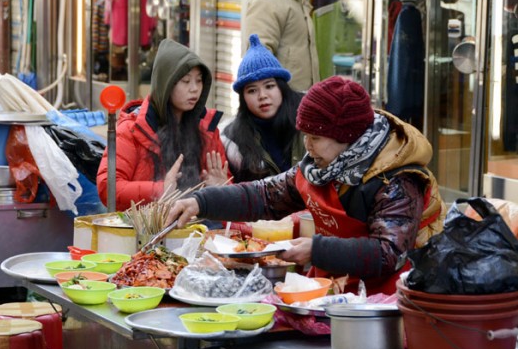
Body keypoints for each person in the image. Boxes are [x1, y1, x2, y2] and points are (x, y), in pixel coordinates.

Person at [166, 76, 446, 295]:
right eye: (305, 136)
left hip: (387, 300)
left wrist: (317, 249)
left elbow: (389, 253)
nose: (308, 147)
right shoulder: (320, 166)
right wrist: (200, 202)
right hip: (334, 290)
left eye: (316, 138)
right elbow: (263, 196)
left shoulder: (396, 180)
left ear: (347, 137)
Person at [97, 38, 230, 212]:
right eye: (186, 81)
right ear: (166, 84)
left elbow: (229, 190)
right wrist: (160, 190)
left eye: (199, 81)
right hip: (143, 233)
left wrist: (222, 190)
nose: (194, 89)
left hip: (197, 232)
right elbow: (108, 188)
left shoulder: (207, 130)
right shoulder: (131, 130)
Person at [222, 34, 305, 182]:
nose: (262, 96)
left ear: (281, 87)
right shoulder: (232, 141)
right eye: (252, 90)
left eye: (269, 86)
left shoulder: (308, 119)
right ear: (243, 98)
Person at [244, 0, 319, 92]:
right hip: (282, 106)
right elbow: (257, 62)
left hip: (299, 103)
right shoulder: (267, 0)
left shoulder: (296, 1)